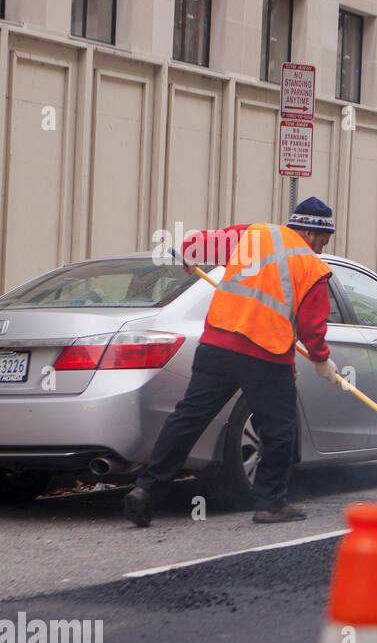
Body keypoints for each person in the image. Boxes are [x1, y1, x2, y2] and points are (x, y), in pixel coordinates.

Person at [123, 198, 338, 527]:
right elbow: (312, 327)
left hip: (218, 345)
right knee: (280, 430)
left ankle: (146, 490)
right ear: (310, 233)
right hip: (265, 353)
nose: (322, 249)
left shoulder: (254, 235)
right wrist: (322, 360)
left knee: (189, 418)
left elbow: (194, 246)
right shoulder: (312, 267)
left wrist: (187, 255)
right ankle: (270, 504)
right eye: (323, 241)